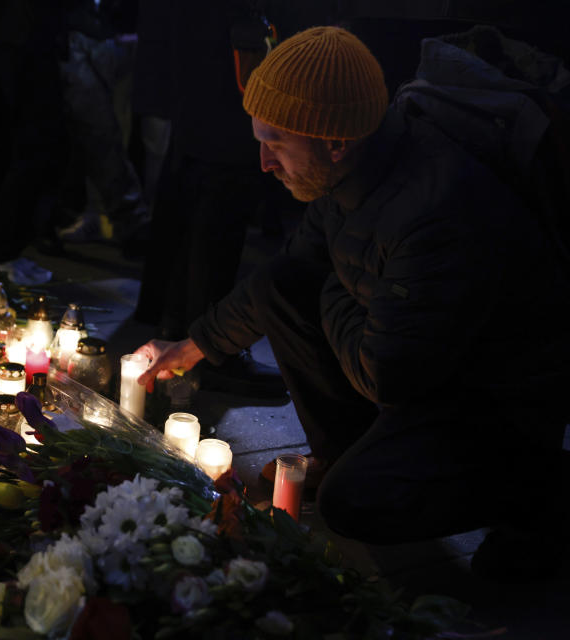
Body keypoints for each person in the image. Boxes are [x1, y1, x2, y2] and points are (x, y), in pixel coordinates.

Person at [134, 26, 570, 577]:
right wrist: (194, 345)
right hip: (423, 370)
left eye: (276, 144)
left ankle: (539, 493)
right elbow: (285, 277)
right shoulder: (356, 168)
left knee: (356, 503)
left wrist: (330, 286)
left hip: (491, 407)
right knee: (282, 286)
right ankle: (346, 454)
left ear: (335, 140)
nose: (265, 164)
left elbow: (390, 377)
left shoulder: (435, 209)